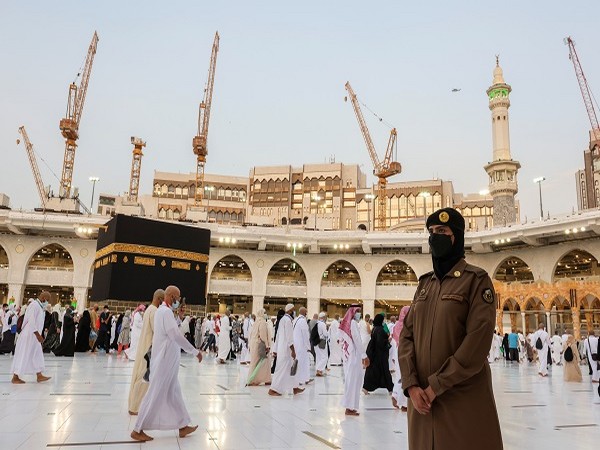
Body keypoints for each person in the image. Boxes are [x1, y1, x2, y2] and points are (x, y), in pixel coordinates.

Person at [399, 208, 502, 449]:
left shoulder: (476, 281)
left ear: (456, 236)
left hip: (461, 401)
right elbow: (406, 336)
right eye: (432, 232)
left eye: (442, 231)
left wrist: (436, 385)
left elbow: (477, 343)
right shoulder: (425, 285)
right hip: (422, 404)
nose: (435, 236)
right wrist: (411, 385)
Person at [131, 286, 202, 442]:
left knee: (174, 394)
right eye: (177, 297)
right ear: (170, 296)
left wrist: (180, 317)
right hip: (164, 362)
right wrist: (194, 351)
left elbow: (170, 328)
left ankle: (183, 426)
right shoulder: (165, 312)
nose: (178, 301)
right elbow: (175, 335)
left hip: (167, 362)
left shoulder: (164, 312)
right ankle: (137, 429)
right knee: (154, 394)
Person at [128, 289, 164, 415]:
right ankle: (135, 407)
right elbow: (158, 331)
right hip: (148, 350)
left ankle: (136, 405)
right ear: (159, 299)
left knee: (142, 376)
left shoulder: (149, 310)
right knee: (143, 378)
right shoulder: (154, 311)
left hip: (144, 347)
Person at [11, 293, 52, 384]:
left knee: (37, 354)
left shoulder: (40, 307)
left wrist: (38, 335)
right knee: (24, 354)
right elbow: (31, 321)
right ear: (43, 298)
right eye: (48, 300)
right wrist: (38, 335)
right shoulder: (34, 305)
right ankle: (15, 376)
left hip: (34, 335)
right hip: (29, 334)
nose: (48, 302)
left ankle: (39, 375)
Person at [340, 305, 369, 416]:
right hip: (354, 357)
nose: (359, 314)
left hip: (350, 357)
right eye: (357, 312)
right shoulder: (352, 323)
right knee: (353, 381)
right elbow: (357, 340)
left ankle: (350, 406)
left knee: (351, 381)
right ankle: (349, 407)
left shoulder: (347, 323)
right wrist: (364, 355)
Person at [269, 303, 303, 396]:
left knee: (291, 369)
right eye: (294, 310)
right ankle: (273, 389)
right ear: (290, 311)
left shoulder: (283, 320)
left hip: (282, 348)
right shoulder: (287, 321)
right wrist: (293, 350)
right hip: (286, 350)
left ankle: (295, 387)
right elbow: (289, 337)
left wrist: (275, 349)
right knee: (281, 369)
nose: (294, 312)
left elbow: (278, 335)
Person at [363, 313, 393, 394]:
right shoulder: (379, 329)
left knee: (372, 372)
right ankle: (390, 389)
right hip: (380, 356)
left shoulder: (375, 328)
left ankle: (366, 388)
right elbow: (380, 343)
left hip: (375, 355)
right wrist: (388, 341)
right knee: (385, 372)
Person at [246, 308, 272, 386]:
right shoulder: (262, 322)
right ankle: (253, 380)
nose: (266, 314)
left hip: (254, 344)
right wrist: (267, 345)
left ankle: (266, 379)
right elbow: (263, 335)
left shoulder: (256, 322)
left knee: (256, 362)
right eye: (265, 313)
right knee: (260, 362)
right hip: (260, 344)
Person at [391, 306, 410, 411]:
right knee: (405, 376)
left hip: (397, 353)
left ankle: (395, 394)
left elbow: (394, 342)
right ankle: (404, 404)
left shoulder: (396, 326)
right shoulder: (407, 325)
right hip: (404, 353)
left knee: (399, 376)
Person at [293, 306, 311, 385]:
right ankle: (301, 380)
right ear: (305, 313)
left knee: (299, 362)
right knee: (302, 363)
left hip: (296, 344)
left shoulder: (295, 320)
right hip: (302, 345)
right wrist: (308, 346)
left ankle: (305, 378)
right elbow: (305, 335)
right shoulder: (303, 321)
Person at [315, 312, 328, 377]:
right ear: (323, 317)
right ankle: (319, 369)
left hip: (317, 342)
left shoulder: (317, 323)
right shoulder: (322, 324)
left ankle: (318, 371)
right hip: (322, 342)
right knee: (325, 357)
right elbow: (325, 334)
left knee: (319, 357)